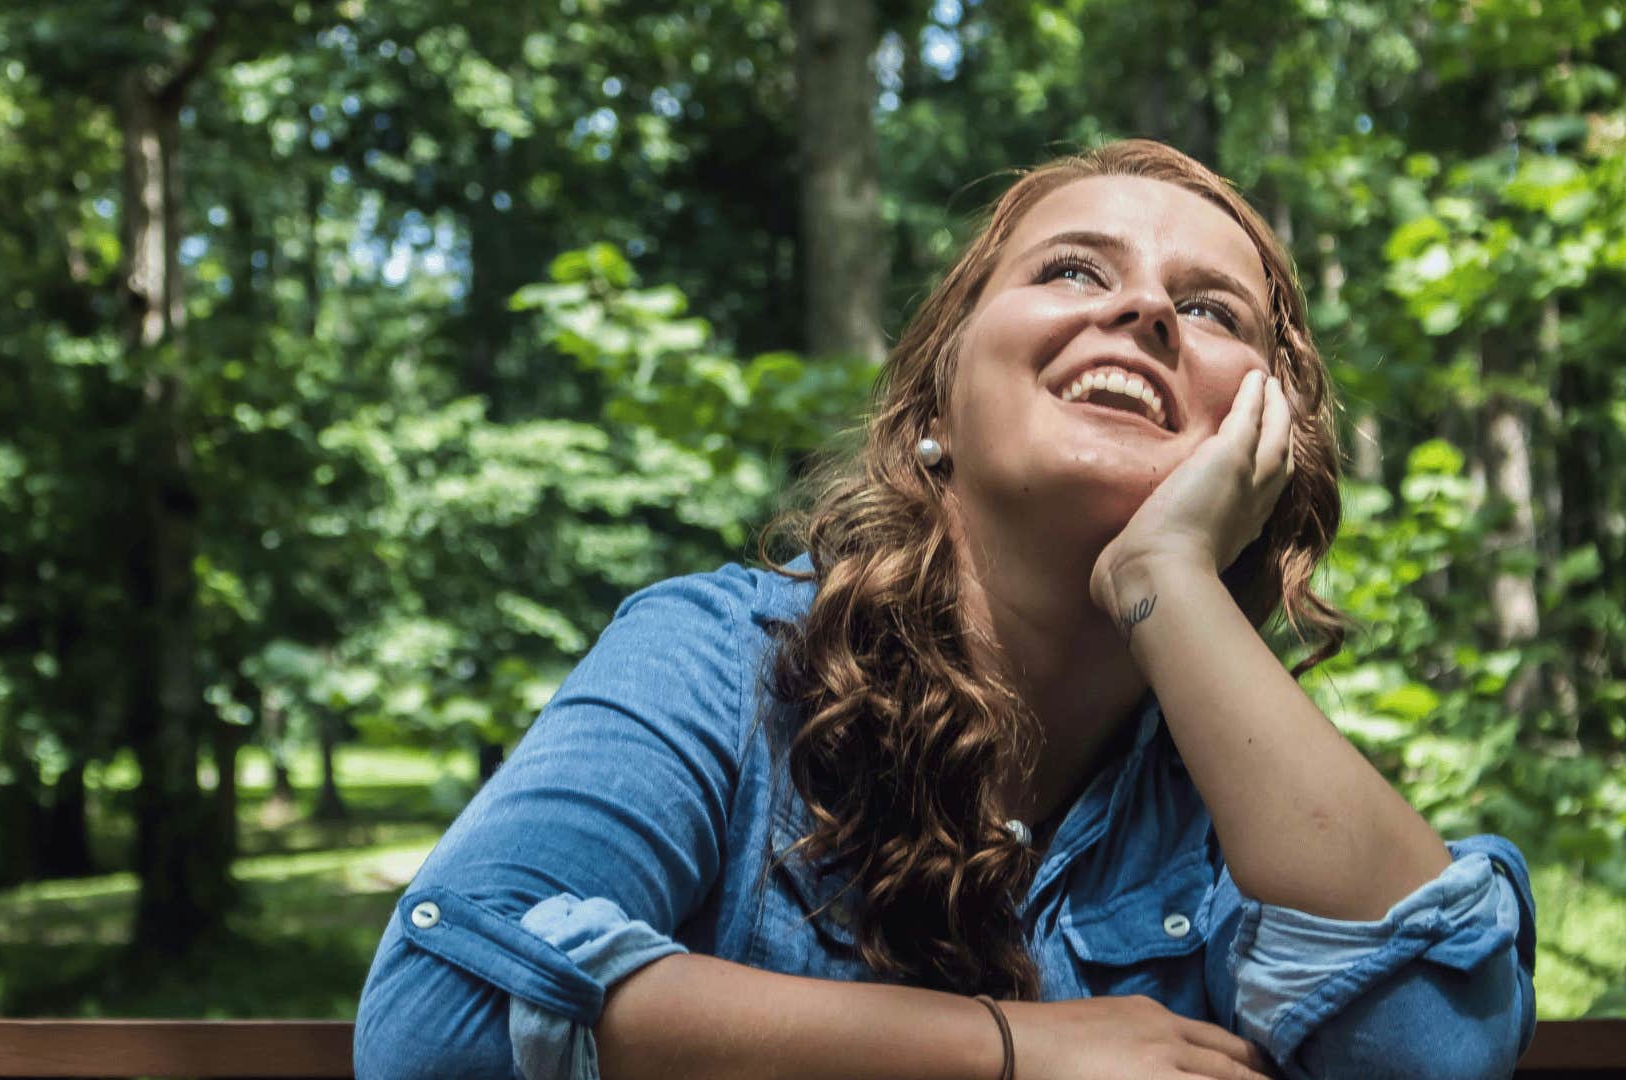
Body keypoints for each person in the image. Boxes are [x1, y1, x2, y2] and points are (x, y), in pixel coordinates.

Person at [351, 140, 1536, 1080]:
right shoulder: (716, 659)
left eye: (1213, 309)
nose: (1145, 313)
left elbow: (1434, 1053)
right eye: (1074, 269)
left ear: (1263, 442)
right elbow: (440, 1018)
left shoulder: (1248, 798)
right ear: (938, 404)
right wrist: (1014, 1051)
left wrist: (1164, 576)